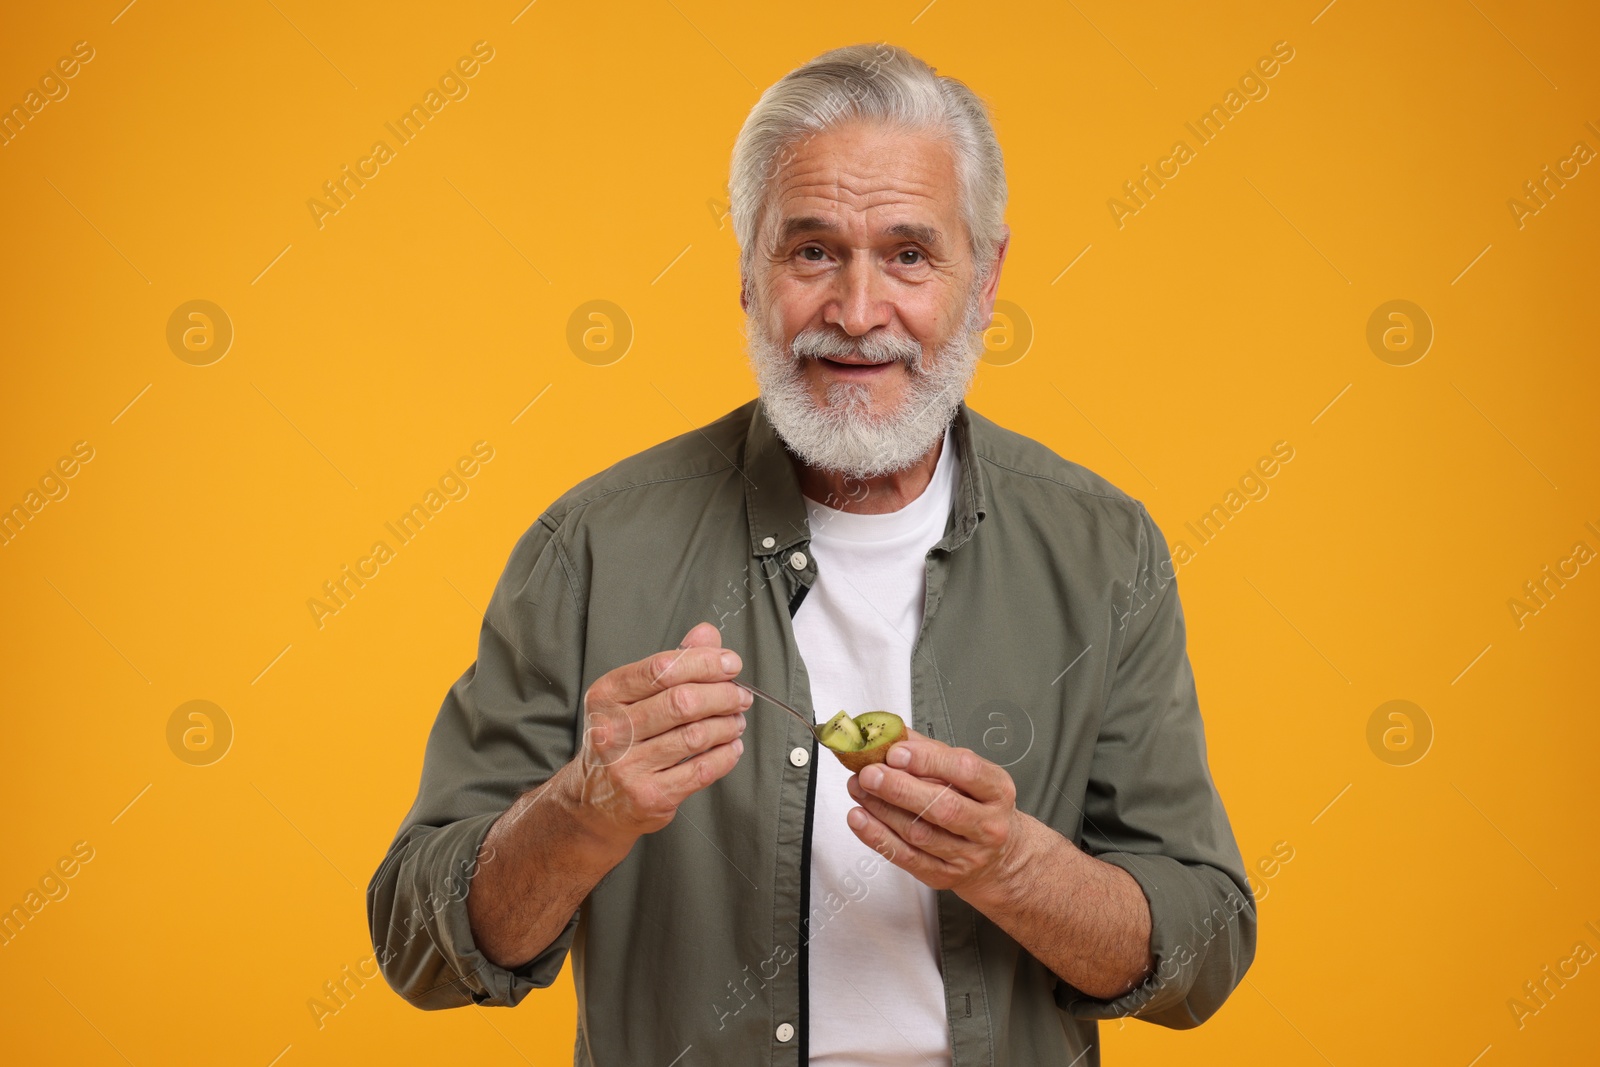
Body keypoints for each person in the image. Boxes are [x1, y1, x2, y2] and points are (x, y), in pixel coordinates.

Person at [368, 42, 1255, 1066]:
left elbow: (1204, 945)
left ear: (986, 278)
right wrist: (582, 809)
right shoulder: (592, 549)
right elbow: (416, 943)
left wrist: (1011, 864)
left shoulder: (1104, 551)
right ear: (749, 271)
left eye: (910, 254)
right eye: (813, 251)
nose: (859, 311)